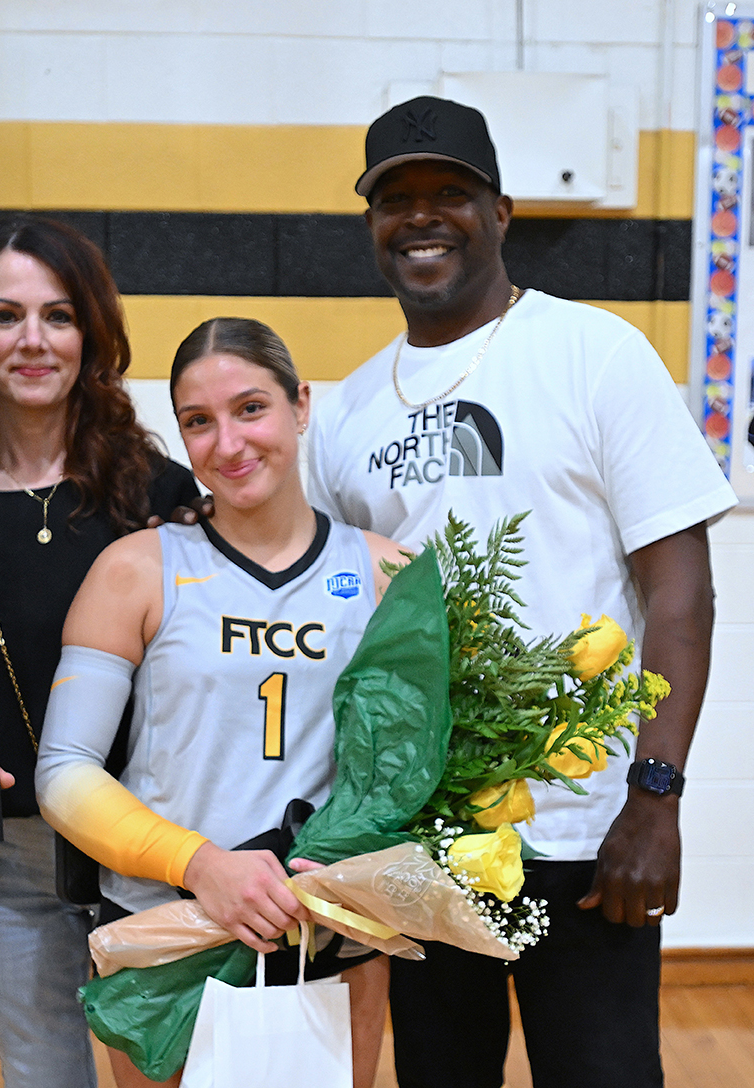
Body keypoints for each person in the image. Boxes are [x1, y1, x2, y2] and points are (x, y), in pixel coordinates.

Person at [307, 96, 738, 1088]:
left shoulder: (596, 352)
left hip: (587, 836)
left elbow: (681, 594)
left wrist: (655, 801)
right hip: (423, 837)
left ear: (501, 212)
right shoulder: (347, 412)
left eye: (449, 193)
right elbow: (346, 629)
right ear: (370, 223)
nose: (421, 217)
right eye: (395, 199)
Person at [35, 317, 399, 1088]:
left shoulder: (383, 573)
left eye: (250, 408)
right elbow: (64, 773)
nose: (227, 444)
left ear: (300, 405)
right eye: (198, 422)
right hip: (165, 930)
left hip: (325, 934)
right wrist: (202, 867)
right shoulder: (134, 569)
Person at [0, 215, 199, 1088]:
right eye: (5, 315)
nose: (32, 340)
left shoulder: (157, 492)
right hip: (2, 855)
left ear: (90, 335)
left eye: (57, 315)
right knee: (42, 1074)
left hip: (149, 842)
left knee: (163, 1072)